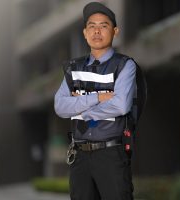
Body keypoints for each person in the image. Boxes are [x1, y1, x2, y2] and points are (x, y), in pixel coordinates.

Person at [54, 2, 139, 200]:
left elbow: (120, 105)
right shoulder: (73, 68)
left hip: (111, 155)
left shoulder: (125, 66)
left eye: (104, 26)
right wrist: (98, 97)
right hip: (80, 156)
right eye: (91, 26)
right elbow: (60, 106)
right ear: (85, 33)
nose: (97, 31)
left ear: (115, 31)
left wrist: (79, 107)